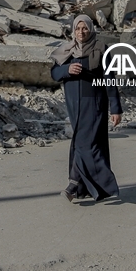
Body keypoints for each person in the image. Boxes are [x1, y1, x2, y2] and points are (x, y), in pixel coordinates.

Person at [50, 14, 122, 202]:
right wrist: (67, 70)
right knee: (82, 141)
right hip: (74, 104)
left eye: (85, 28)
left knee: (85, 143)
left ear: (91, 29)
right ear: (73, 30)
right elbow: (54, 73)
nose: (81, 32)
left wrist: (115, 108)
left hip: (94, 103)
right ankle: (84, 186)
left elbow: (109, 80)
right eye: (78, 28)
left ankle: (74, 184)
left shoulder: (101, 49)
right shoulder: (67, 50)